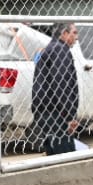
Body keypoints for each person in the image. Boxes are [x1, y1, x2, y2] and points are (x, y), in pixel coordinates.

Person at [30, 22, 81, 155]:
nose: (77, 37)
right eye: (74, 33)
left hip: (48, 111)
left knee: (53, 155)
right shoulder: (60, 50)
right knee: (65, 157)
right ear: (64, 34)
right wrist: (70, 116)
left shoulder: (51, 48)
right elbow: (61, 84)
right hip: (57, 113)